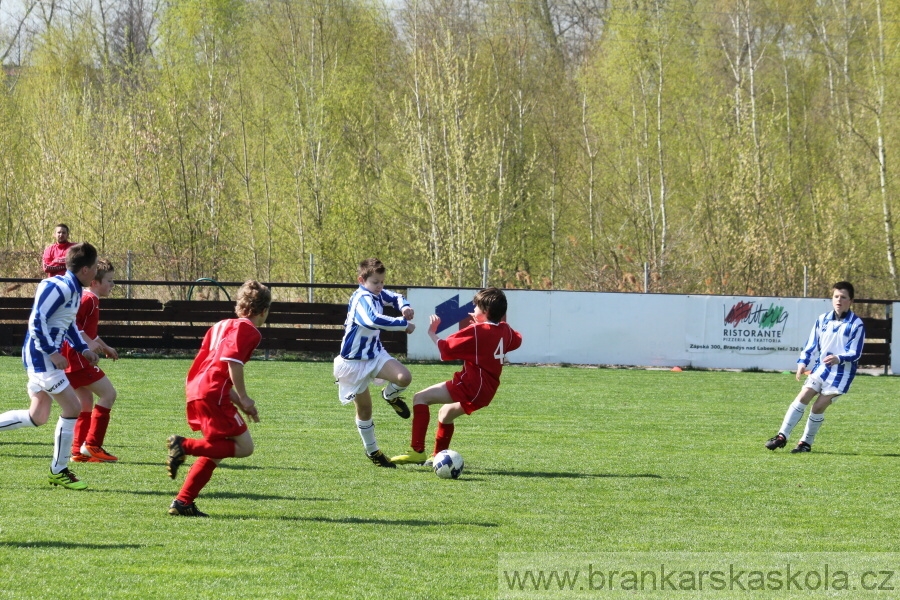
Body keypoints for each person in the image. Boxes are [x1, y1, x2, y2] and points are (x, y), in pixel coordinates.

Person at [166, 280, 271, 517]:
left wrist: (239, 402)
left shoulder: (221, 325)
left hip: (197, 389)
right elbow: (232, 362)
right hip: (213, 393)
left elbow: (215, 368)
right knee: (244, 447)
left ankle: (183, 502)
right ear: (264, 311)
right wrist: (244, 398)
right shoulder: (249, 330)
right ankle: (183, 445)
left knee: (216, 451)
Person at [0, 242, 100, 490]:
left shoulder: (75, 290)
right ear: (85, 269)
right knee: (73, 406)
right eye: (96, 266)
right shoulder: (58, 286)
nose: (97, 271)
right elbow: (36, 321)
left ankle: (59, 470)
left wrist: (83, 349)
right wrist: (53, 353)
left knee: (37, 416)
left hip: (44, 357)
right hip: (41, 358)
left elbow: (68, 325)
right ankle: (59, 470)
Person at [392, 287, 522, 465]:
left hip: (471, 385)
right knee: (445, 414)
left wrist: (432, 332)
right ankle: (437, 457)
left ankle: (416, 450)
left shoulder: (477, 331)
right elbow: (517, 340)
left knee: (420, 398)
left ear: (485, 312)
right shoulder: (505, 329)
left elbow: (445, 349)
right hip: (487, 390)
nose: (473, 310)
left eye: (476, 307)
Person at [765, 281, 865, 453]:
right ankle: (782, 436)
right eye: (836, 296)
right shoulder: (822, 319)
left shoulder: (856, 325)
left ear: (851, 301)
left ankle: (805, 443)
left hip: (841, 374)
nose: (839, 300)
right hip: (821, 369)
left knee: (818, 407)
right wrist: (802, 362)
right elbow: (811, 344)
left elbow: (856, 352)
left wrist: (838, 358)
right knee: (803, 396)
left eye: (843, 297)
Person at [333, 258, 415, 468]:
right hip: (353, 363)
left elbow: (395, 296)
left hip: (375, 354)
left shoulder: (377, 292)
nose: (380, 286)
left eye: (382, 282)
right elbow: (372, 320)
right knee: (365, 410)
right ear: (362, 280)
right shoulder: (361, 298)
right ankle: (373, 451)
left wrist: (404, 306)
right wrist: (402, 323)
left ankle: (390, 395)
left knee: (404, 377)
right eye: (376, 282)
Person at [62, 259, 120, 463]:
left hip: (72, 358)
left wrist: (105, 347)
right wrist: (87, 344)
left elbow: (88, 332)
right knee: (109, 394)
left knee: (85, 402)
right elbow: (72, 325)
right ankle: (93, 445)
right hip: (77, 358)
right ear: (95, 282)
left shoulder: (89, 299)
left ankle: (78, 451)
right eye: (109, 280)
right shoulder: (89, 300)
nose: (112, 285)